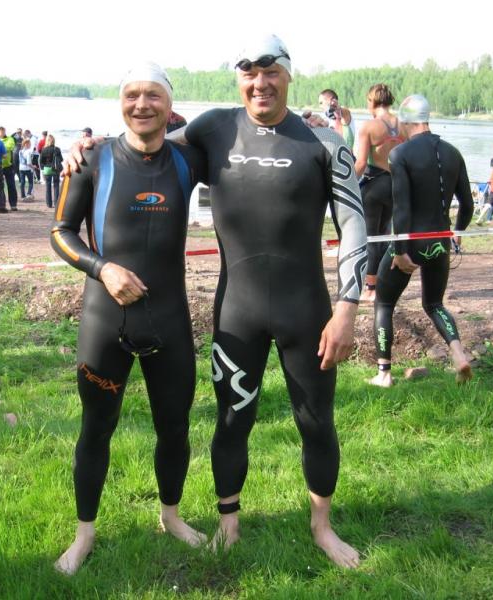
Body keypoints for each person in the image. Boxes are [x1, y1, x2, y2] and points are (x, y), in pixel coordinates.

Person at [68, 35, 368, 568]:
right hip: (237, 314)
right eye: (250, 73)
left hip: (307, 311)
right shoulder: (214, 129)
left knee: (317, 422)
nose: (261, 83)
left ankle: (323, 527)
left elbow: (354, 223)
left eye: (271, 72)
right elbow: (145, 143)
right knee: (231, 421)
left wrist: (348, 306)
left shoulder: (324, 142)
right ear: (238, 79)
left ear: (288, 76)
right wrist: (87, 147)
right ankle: (228, 525)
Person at [51, 61, 207, 576]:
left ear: (170, 105)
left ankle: (171, 516)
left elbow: (244, 143)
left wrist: (314, 126)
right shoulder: (92, 160)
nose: (142, 104)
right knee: (96, 428)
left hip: (169, 320)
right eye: (132, 95)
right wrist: (103, 268)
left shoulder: (188, 160)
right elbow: (60, 233)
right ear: (120, 103)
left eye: (153, 95)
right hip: (105, 322)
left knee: (175, 428)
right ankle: (84, 534)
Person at [369, 94, 474, 388]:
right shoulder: (453, 153)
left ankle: (383, 374)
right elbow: (467, 204)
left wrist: (399, 251)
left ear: (405, 121)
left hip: (411, 241)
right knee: (435, 303)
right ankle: (459, 355)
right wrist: (458, 233)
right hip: (440, 241)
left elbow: (402, 208)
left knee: (384, 303)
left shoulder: (400, 154)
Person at [354, 83, 404, 302]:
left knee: (371, 237)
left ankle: (371, 288)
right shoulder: (404, 125)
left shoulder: (369, 126)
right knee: (385, 235)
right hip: (395, 185)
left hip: (374, 186)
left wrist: (346, 184)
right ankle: (382, 283)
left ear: (372, 101)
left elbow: (361, 163)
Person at [39, 133, 63, 208]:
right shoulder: (57, 149)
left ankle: (49, 204)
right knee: (56, 186)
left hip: (47, 169)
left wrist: (42, 169)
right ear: (53, 141)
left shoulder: (44, 149)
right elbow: (61, 159)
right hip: (55, 169)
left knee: (48, 186)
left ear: (47, 141)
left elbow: (41, 161)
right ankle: (56, 203)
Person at [0, 126, 18, 211]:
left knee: (11, 186)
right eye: (0, 131)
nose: (1, 133)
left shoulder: (10, 139)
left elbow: (10, 147)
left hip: (8, 166)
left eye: (3, 131)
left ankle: (13, 205)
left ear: (5, 131)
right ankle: (1, 204)